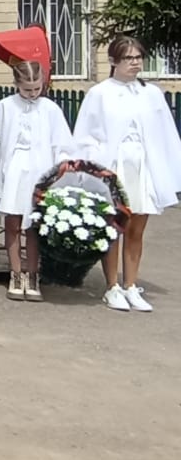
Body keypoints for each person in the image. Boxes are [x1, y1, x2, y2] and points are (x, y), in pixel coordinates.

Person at [72, 35, 181, 312]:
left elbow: (165, 133)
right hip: (113, 165)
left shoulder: (151, 93)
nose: (135, 63)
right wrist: (92, 169)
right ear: (113, 61)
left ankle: (131, 284)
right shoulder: (100, 93)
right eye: (128, 58)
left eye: (138, 57)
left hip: (141, 164)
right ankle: (112, 286)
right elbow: (86, 134)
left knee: (136, 228)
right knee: (114, 226)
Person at [0, 50, 74, 302]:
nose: (32, 94)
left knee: (34, 224)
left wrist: (59, 169)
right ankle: (15, 273)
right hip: (13, 168)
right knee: (13, 222)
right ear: (16, 84)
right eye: (27, 89)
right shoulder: (5, 106)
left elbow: (61, 142)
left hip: (40, 168)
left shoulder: (50, 109)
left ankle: (33, 274)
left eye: (36, 89)